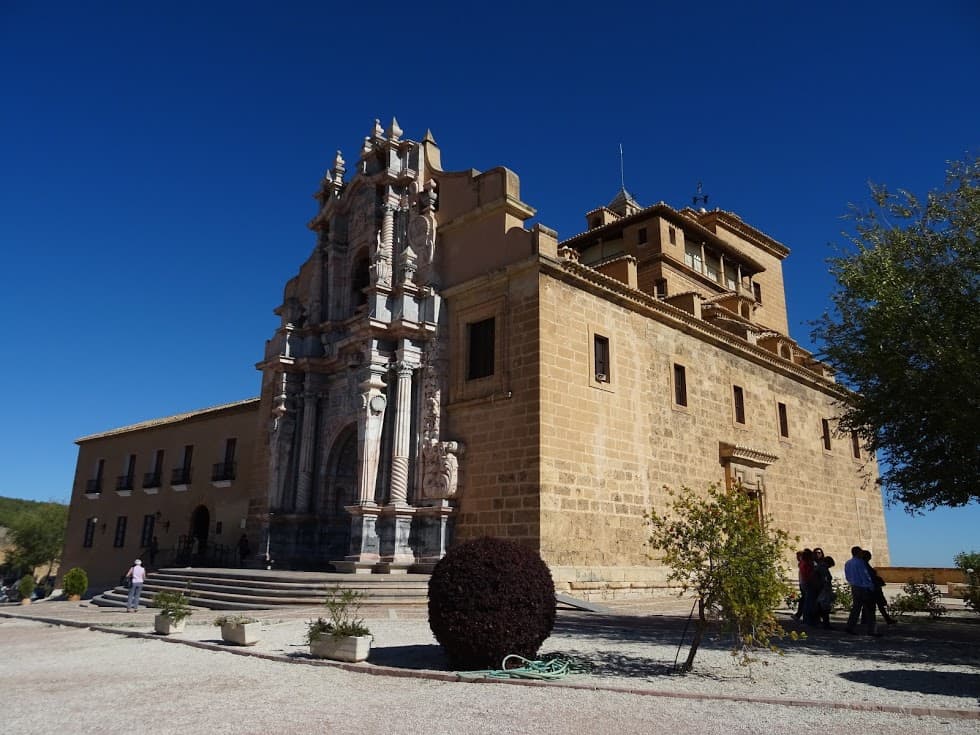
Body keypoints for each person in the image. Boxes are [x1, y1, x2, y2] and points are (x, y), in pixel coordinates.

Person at [844, 546, 880, 636]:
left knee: (856, 608)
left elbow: (847, 576)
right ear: (858, 553)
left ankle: (850, 627)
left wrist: (853, 582)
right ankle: (872, 631)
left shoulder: (848, 563)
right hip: (864, 588)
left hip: (854, 587)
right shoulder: (860, 562)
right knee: (870, 609)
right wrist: (871, 586)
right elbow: (865, 576)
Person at [862, 549, 896, 625]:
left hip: (872, 587)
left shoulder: (865, 565)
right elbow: (870, 576)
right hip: (873, 588)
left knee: (870, 605)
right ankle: (885, 619)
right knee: (875, 605)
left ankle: (865, 621)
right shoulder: (865, 566)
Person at [815, 555, 836, 629]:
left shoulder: (819, 567)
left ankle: (821, 622)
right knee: (825, 608)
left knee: (822, 607)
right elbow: (825, 579)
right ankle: (826, 624)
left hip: (821, 589)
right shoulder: (823, 568)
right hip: (824, 590)